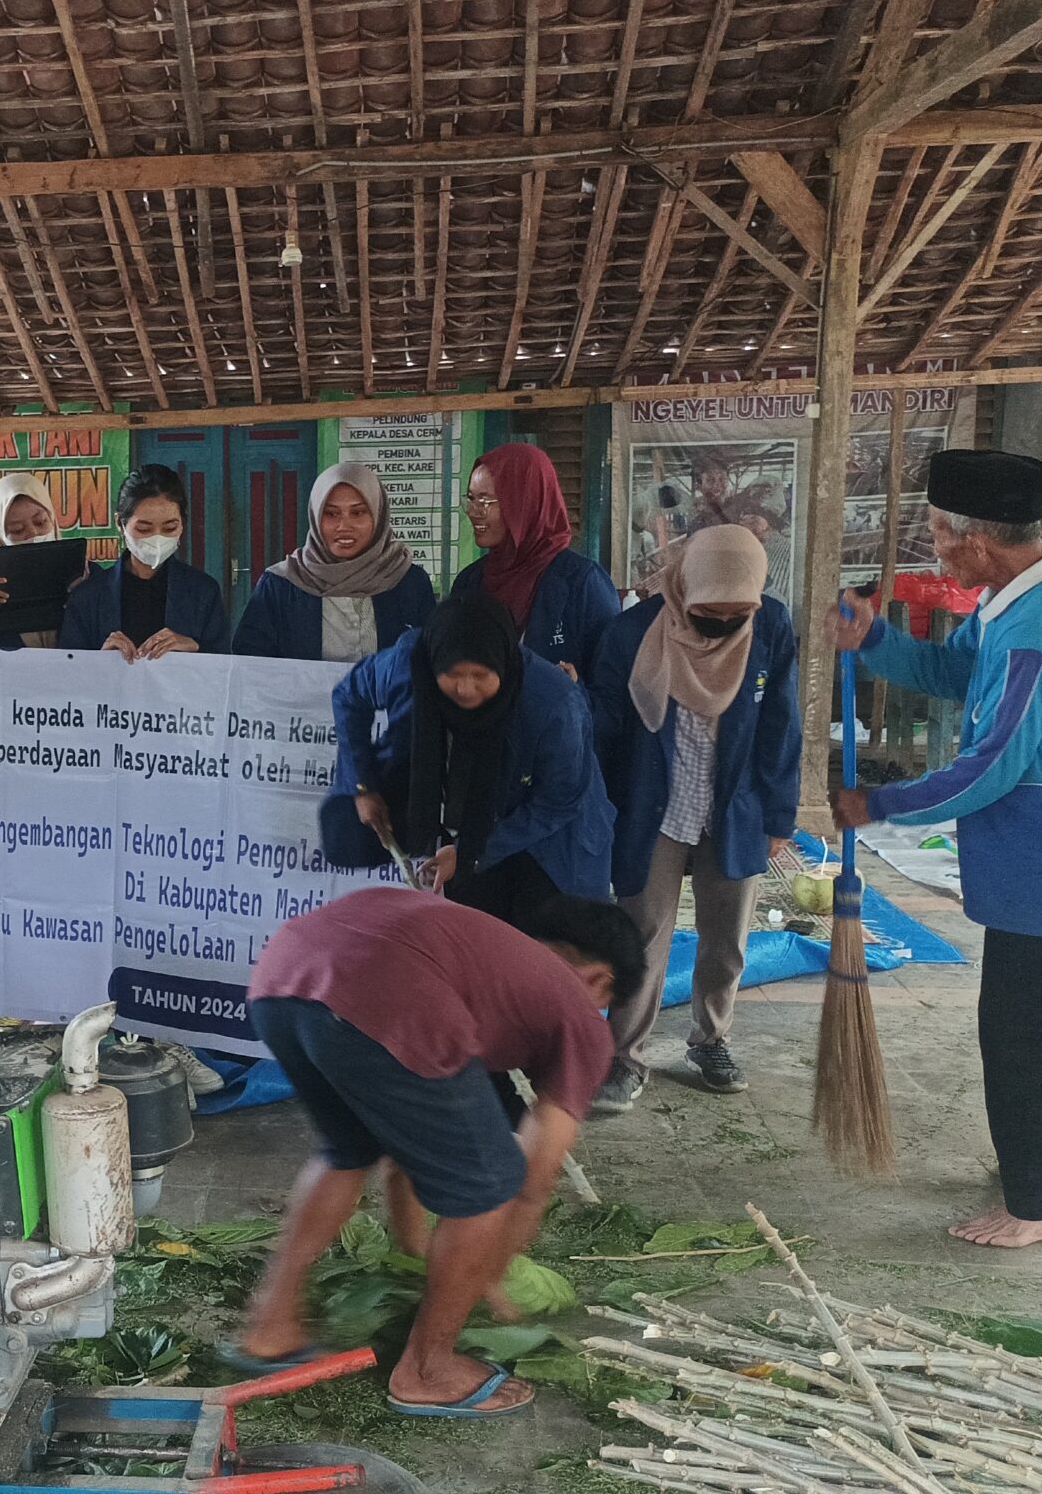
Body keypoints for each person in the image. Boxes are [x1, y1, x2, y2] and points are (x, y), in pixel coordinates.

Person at [833, 449, 1042, 1250]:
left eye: (937, 533)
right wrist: (876, 642)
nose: (932, 547)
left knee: (1030, 1024)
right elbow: (957, 669)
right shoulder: (1016, 591)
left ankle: (1041, 1205)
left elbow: (991, 767)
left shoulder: (1039, 623)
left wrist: (880, 802)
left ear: (977, 541)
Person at [224, 889, 645, 1416]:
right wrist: (490, 1270)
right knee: (490, 1184)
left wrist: (415, 1251)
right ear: (599, 979)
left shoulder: (481, 964)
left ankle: (270, 1326)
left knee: (347, 1149)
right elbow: (534, 1178)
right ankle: (428, 1369)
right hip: (388, 992)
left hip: (283, 974)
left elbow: (408, 1153)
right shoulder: (573, 1010)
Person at [586, 525, 801, 1112]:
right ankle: (623, 1056)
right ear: (686, 588)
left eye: (739, 612)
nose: (724, 624)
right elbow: (605, 728)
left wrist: (779, 815)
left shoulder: (772, 628)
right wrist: (600, 811)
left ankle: (711, 1040)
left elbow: (782, 725)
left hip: (735, 808)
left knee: (727, 937)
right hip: (652, 809)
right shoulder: (633, 633)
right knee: (641, 934)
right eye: (710, 612)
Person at [327, 589, 615, 922]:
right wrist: (363, 785)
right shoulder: (409, 666)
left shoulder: (553, 702)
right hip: (471, 822)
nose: (466, 689)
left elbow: (560, 799)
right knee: (473, 948)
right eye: (452, 675)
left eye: (480, 676)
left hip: (555, 845)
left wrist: (469, 853)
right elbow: (348, 697)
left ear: (502, 664)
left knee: (545, 955)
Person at [446, 442, 620, 676]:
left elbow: (611, 694)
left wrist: (571, 691)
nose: (472, 511)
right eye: (471, 498)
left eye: (485, 501)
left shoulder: (582, 583)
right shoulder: (470, 582)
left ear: (524, 502)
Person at [234, 463, 438, 661]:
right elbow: (252, 666)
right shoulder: (281, 585)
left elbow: (432, 660)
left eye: (358, 513)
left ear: (379, 514)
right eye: (331, 514)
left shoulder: (406, 580)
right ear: (315, 516)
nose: (344, 526)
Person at [60, 464, 232, 658]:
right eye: (144, 529)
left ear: (182, 524)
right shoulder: (88, 597)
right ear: (120, 523)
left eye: (169, 528)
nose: (156, 539)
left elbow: (225, 667)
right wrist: (101, 660)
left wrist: (194, 646)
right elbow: (70, 671)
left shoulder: (203, 591)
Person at [0, 472, 78, 648]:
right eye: (16, 530)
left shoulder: (87, 575)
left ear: (52, 517)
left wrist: (86, 596)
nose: (33, 533)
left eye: (40, 522)